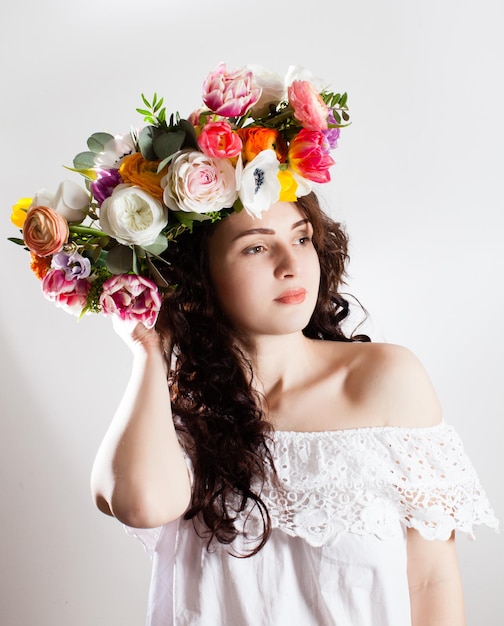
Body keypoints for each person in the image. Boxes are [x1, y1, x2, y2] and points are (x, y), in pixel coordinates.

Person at [91, 190, 498, 626]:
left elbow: (431, 580)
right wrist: (149, 348)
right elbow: (141, 505)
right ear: (197, 275)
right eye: (256, 247)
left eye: (302, 239)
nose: (291, 266)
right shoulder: (176, 414)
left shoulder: (386, 380)